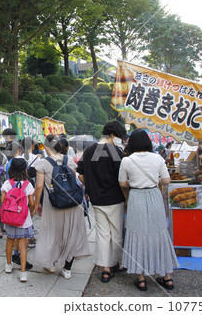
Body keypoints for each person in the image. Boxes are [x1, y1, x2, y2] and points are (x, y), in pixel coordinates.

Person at [118, 129, 179, 291]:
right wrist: (153, 179)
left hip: (136, 197)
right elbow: (166, 180)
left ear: (131, 143)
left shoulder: (127, 161)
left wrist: (135, 181)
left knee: (138, 234)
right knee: (159, 232)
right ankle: (167, 277)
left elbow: (122, 183)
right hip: (154, 196)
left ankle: (142, 278)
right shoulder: (158, 158)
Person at [34, 134, 90, 279]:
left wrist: (36, 204)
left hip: (54, 204)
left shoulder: (43, 164)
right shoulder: (69, 160)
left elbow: (39, 186)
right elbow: (75, 181)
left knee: (52, 233)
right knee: (70, 234)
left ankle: (50, 264)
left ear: (46, 147)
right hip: (72, 203)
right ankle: (67, 268)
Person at [77, 121, 127, 283]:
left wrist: (90, 186)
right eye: (119, 137)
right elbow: (122, 178)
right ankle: (112, 264)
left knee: (103, 234)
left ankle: (105, 268)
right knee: (116, 234)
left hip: (96, 200)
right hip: (115, 199)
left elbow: (80, 174)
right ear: (112, 135)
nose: (120, 140)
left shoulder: (90, 150)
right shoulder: (115, 151)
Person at [1, 158, 35, 282]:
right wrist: (29, 211)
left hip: (10, 217)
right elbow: (31, 202)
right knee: (22, 244)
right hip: (23, 218)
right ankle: (23, 272)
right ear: (25, 169)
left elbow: (2, 199)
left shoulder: (7, 183)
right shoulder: (28, 184)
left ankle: (8, 265)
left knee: (9, 240)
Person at [22, 137, 40, 248]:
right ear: (32, 146)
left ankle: (23, 234)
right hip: (31, 185)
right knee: (30, 209)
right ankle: (30, 235)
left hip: (20, 186)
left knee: (23, 209)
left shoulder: (19, 157)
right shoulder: (36, 158)